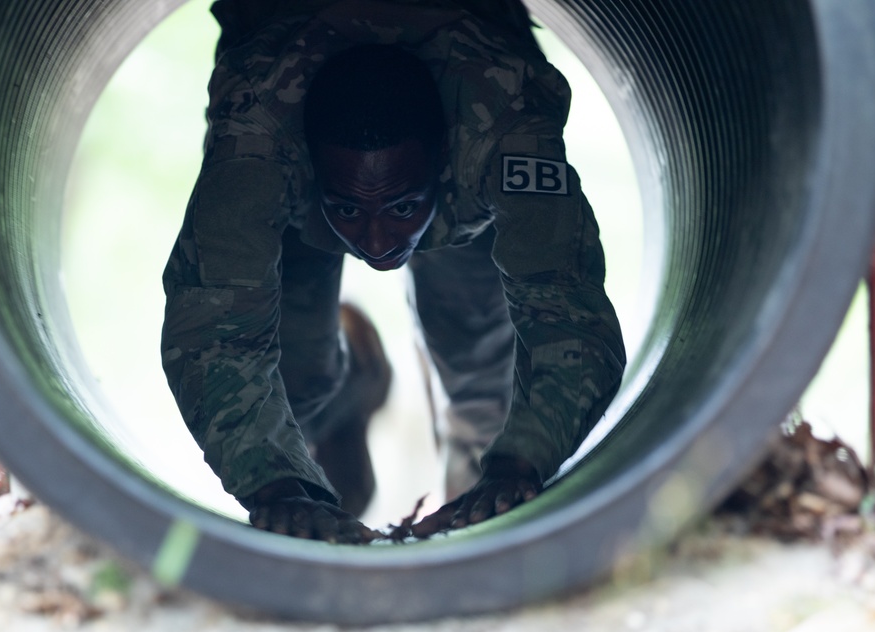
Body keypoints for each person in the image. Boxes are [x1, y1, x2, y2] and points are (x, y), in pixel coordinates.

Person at [161, 0, 626, 543]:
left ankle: (476, 521)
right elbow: (213, 331)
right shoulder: (255, 150)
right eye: (351, 210)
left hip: (467, 121)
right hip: (289, 108)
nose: (377, 244)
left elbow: (567, 315)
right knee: (294, 378)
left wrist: (516, 468)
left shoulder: (504, 128)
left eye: (400, 209)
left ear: (444, 160)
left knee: (480, 369)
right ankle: (329, 432)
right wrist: (278, 489)